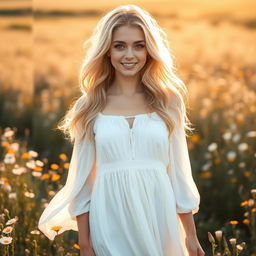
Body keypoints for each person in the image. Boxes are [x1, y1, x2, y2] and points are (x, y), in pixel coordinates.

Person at [38, 4, 205, 256]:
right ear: (107, 51)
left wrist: (191, 236)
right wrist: (85, 244)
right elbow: (82, 180)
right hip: (109, 217)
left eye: (139, 45)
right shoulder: (90, 105)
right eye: (119, 46)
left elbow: (179, 173)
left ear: (149, 50)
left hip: (159, 217)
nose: (130, 54)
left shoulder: (169, 101)